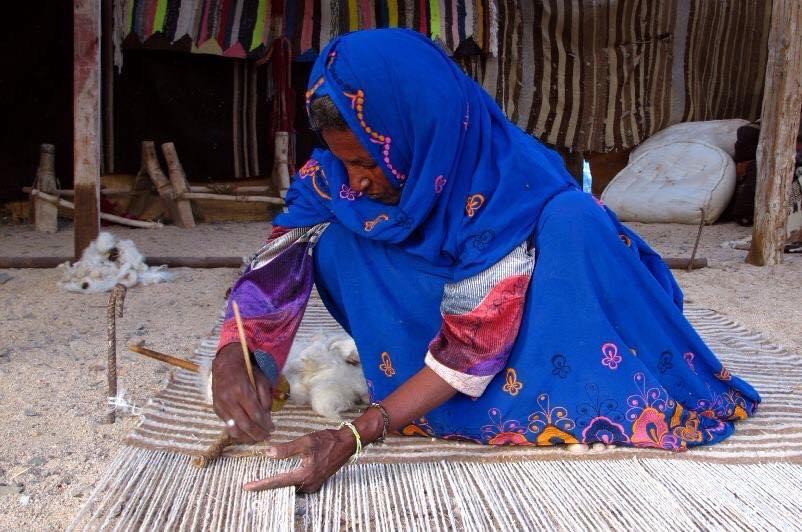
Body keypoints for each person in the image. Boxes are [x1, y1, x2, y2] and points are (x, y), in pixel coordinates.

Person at [212, 29, 759, 494]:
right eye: (344, 160)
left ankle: (517, 395)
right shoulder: (338, 175)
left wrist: (357, 434)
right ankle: (417, 390)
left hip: (537, 324)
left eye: (368, 162)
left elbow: (475, 343)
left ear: (417, 131)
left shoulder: (503, 179)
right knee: (333, 238)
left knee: (574, 219)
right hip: (450, 329)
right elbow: (274, 267)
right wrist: (238, 354)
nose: (355, 180)